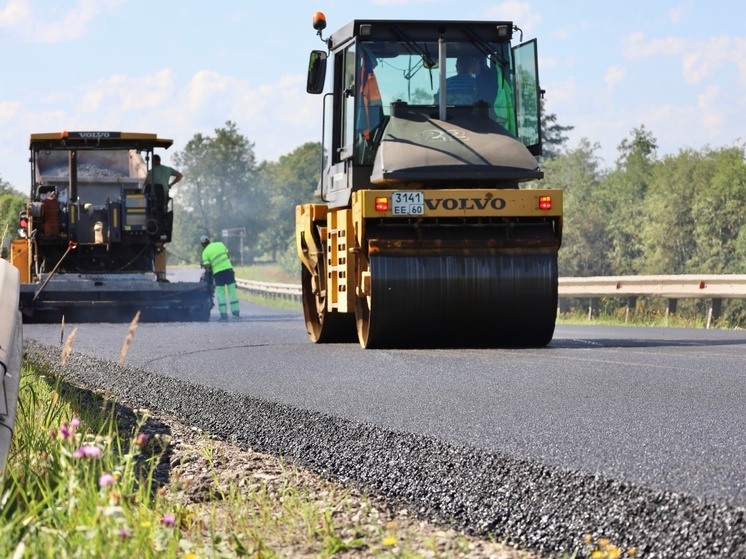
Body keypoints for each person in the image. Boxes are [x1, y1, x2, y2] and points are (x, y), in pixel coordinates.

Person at [200, 235, 240, 320]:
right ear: (209, 241)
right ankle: (236, 313)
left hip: (218, 274)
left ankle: (224, 315)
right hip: (228, 270)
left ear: (202, 244)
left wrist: (205, 265)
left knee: (221, 293)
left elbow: (207, 266)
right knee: (232, 291)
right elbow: (228, 256)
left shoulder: (205, 252)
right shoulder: (220, 244)